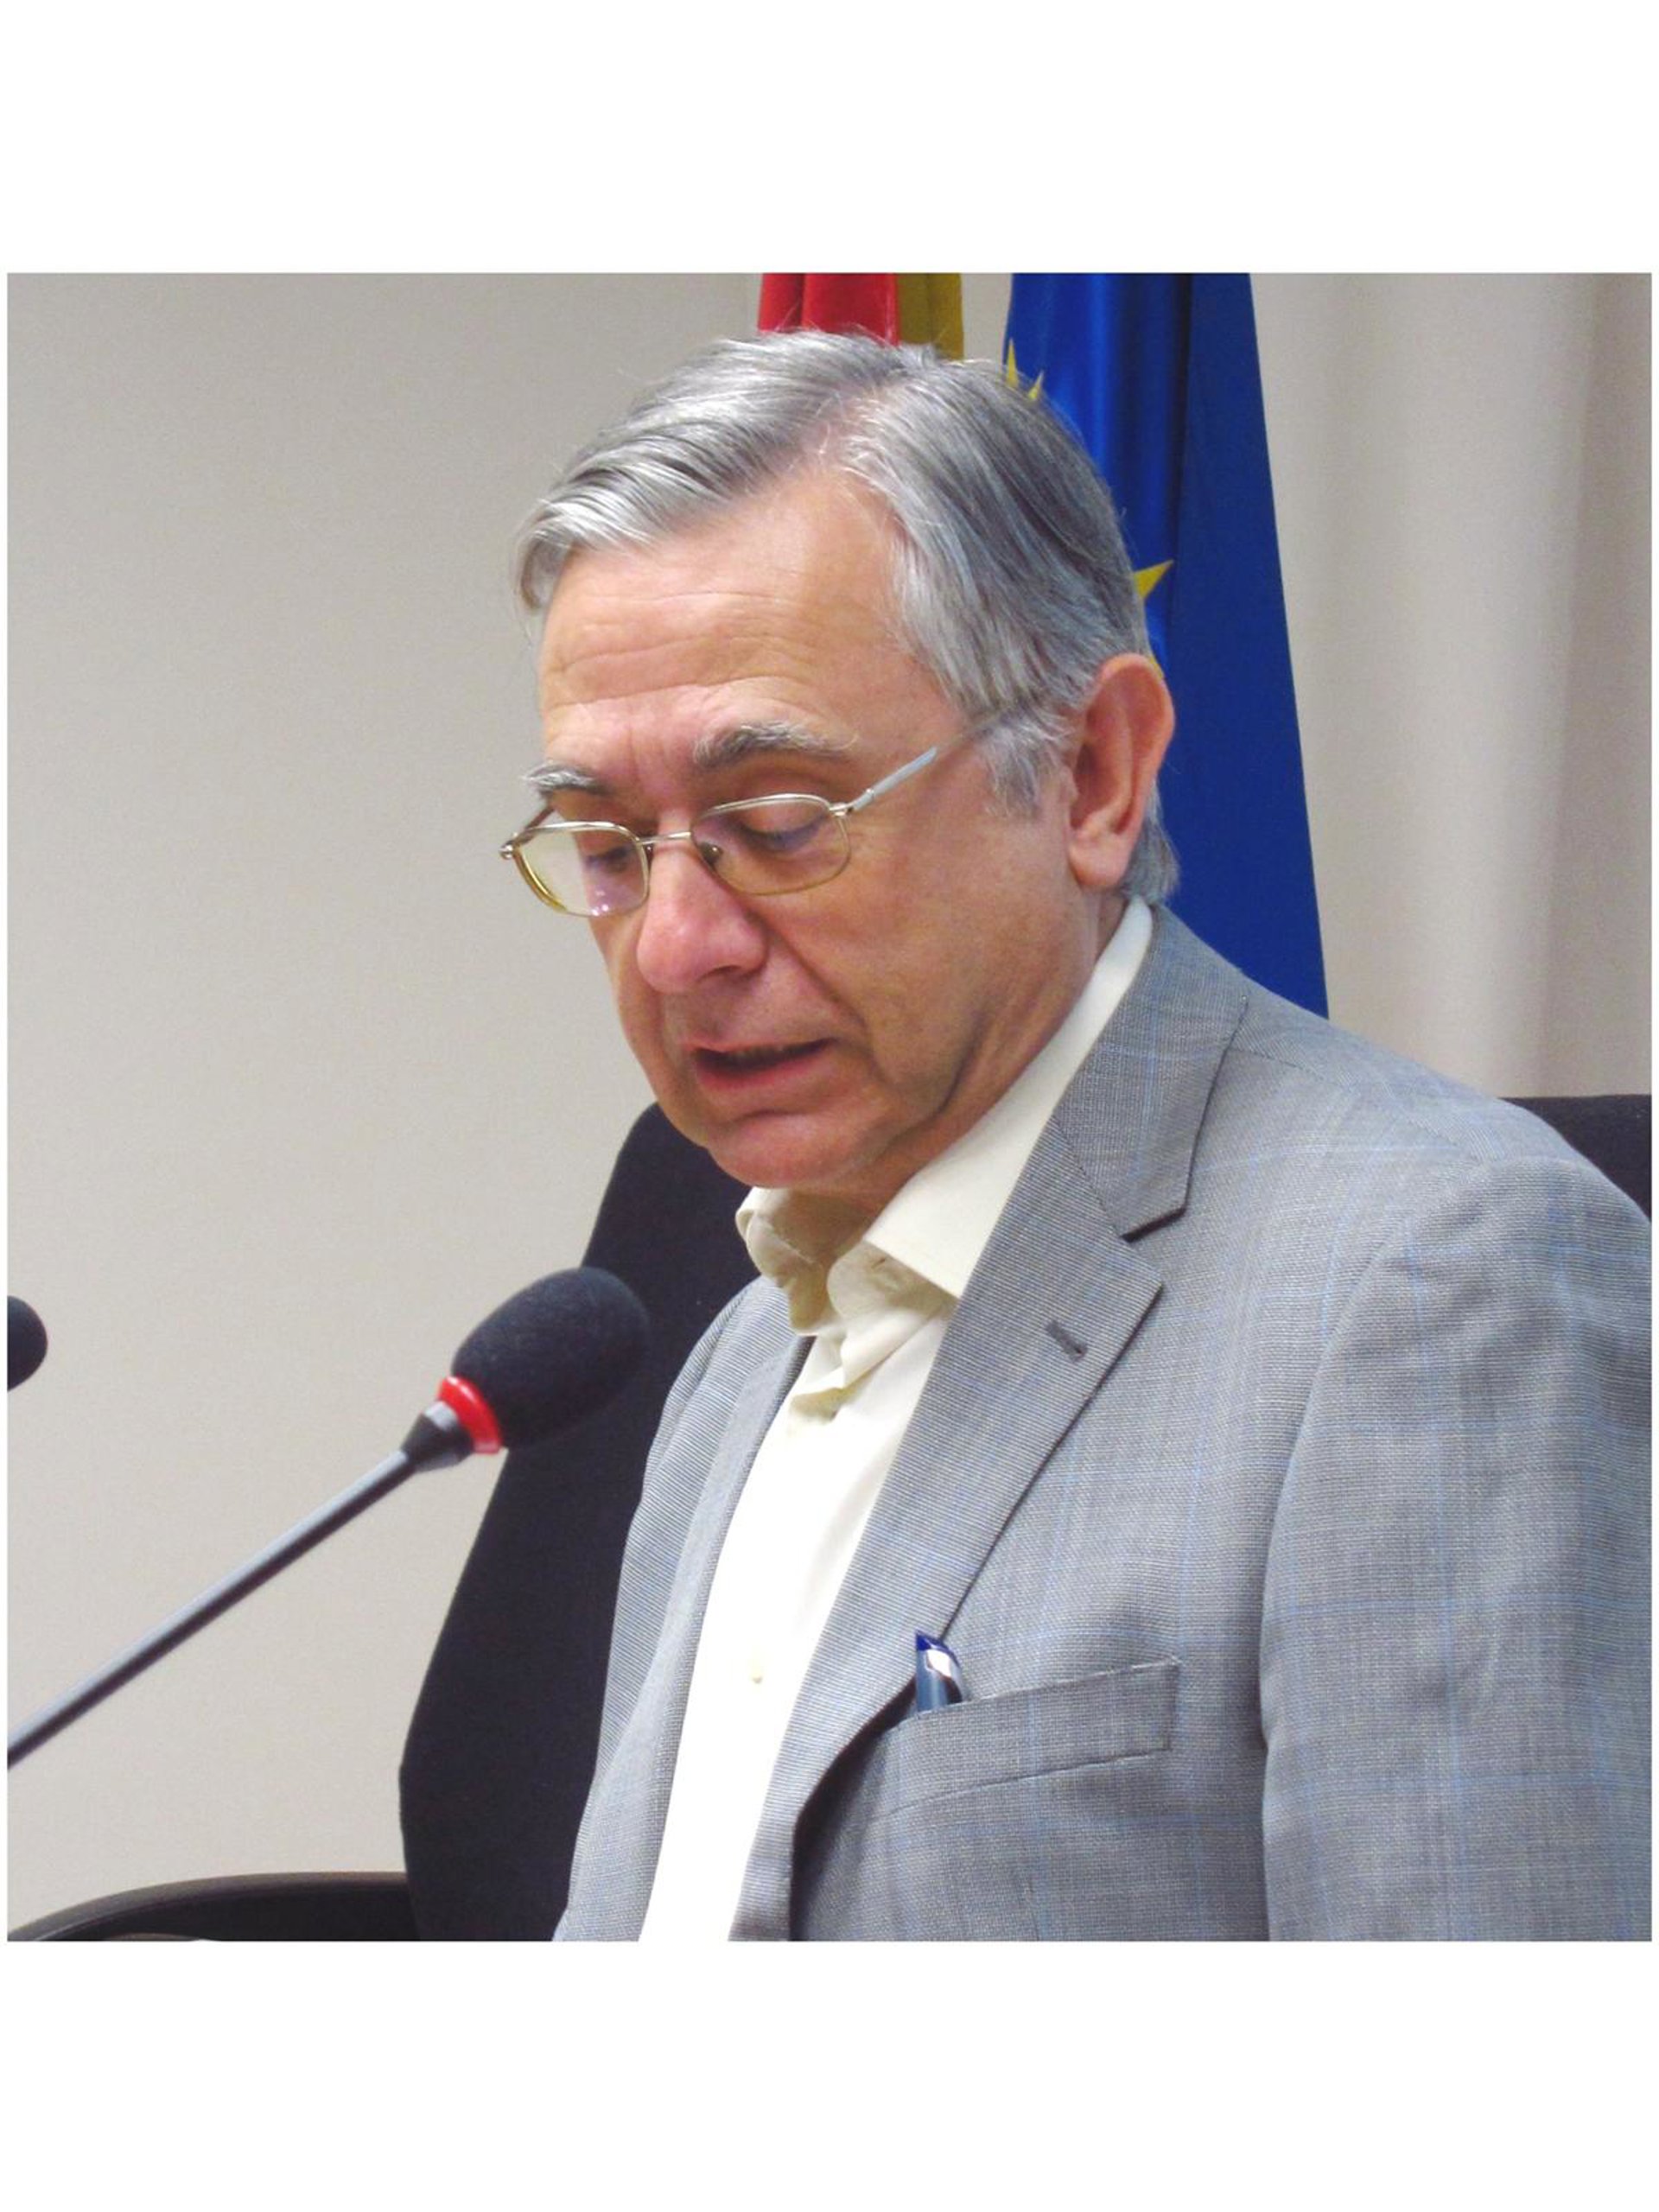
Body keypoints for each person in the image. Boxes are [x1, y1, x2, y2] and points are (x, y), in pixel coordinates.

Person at [501, 331, 1649, 1940]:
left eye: (779, 823)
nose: (679, 945)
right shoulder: (740, 1355)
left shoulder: (1441, 1295)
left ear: (1093, 777)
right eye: (611, 849)